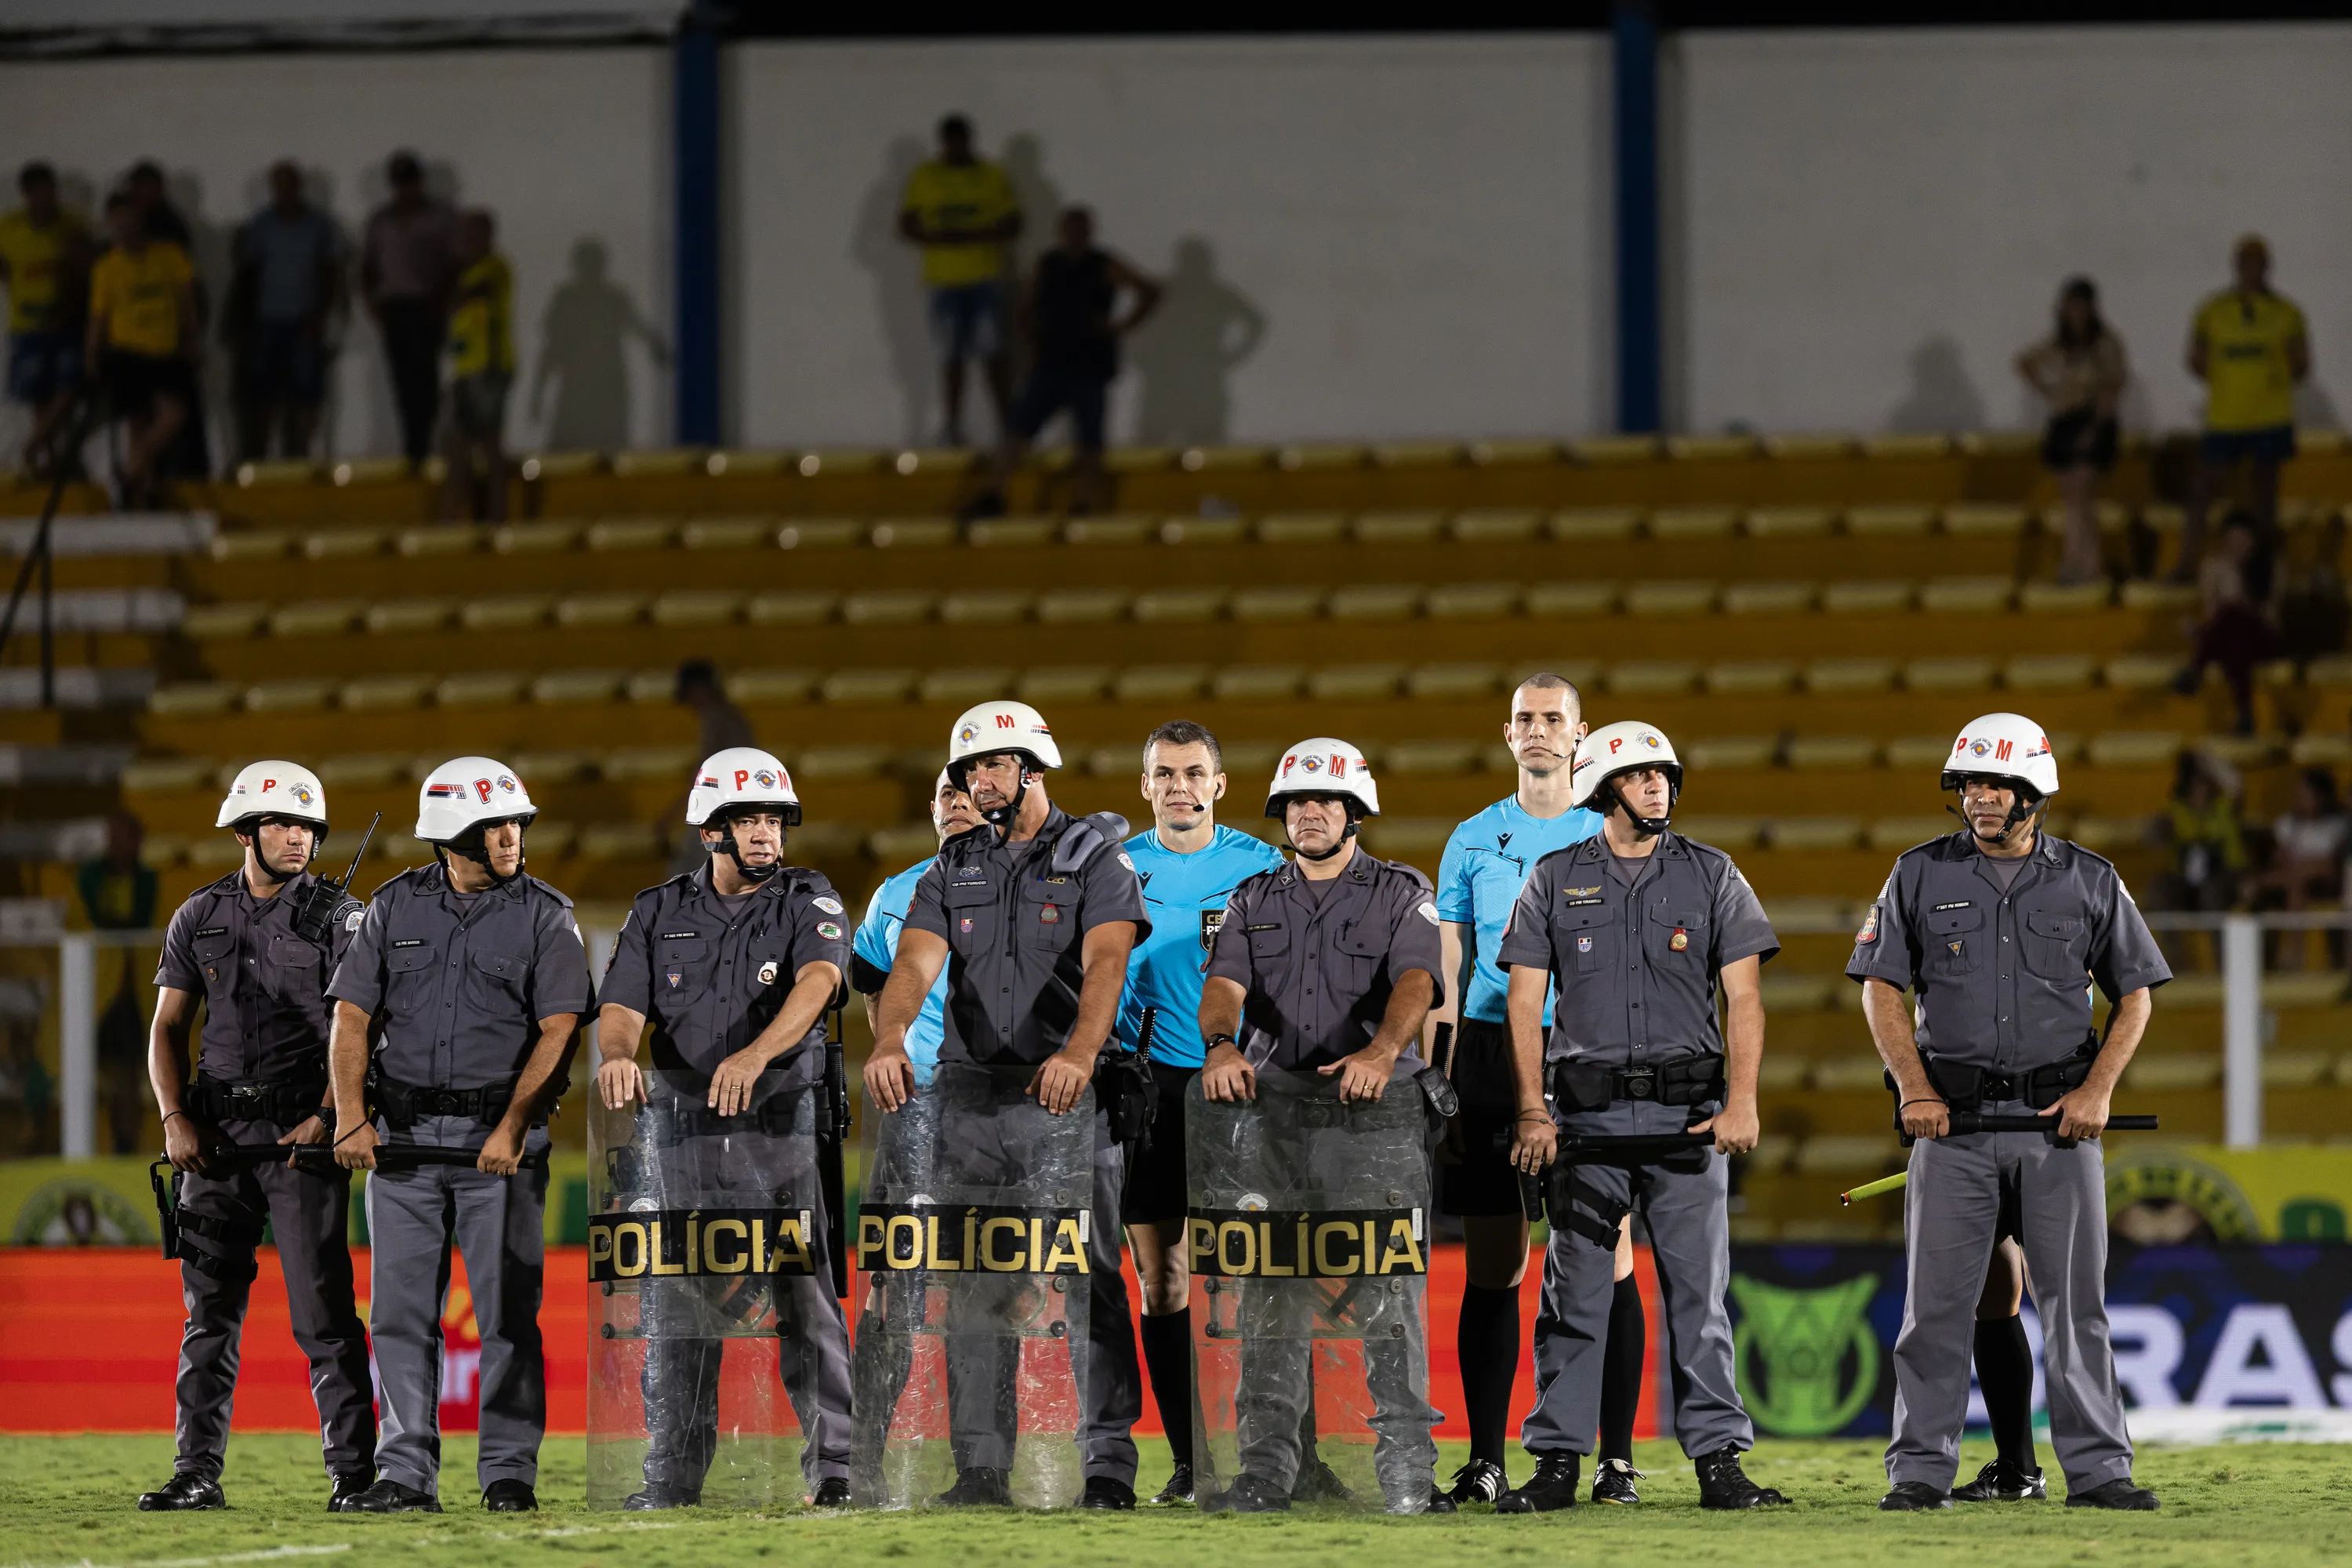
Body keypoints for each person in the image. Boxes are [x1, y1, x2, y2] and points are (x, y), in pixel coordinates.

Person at [1850, 711, 2169, 1512]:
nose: (1979, 798)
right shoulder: (1916, 873)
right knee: (1934, 1314)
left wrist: (2098, 1089)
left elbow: (2135, 994)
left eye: (1996, 785)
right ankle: (1918, 1472)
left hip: (2057, 1126)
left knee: (2078, 1315)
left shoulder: (2091, 878)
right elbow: (1881, 986)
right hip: (1951, 1125)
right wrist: (1915, 1088)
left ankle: (2098, 1472)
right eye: (1969, 784)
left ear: (2035, 792)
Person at [863, 699, 1148, 1509]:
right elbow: (913, 966)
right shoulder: (953, 866)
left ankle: (1107, 1464)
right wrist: (888, 1041)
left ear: (1031, 767)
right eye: (967, 771)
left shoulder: (1097, 857)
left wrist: (1081, 1053)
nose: (976, 782)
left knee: (1088, 1276)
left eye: (990, 766)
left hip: (1064, 1096)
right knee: (976, 1281)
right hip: (969, 1100)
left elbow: (1106, 962)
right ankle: (981, 1465)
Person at [1497, 721, 1786, 1513]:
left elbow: (1746, 996)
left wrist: (1744, 1101)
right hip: (1585, 1125)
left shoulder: (1715, 872)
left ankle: (1719, 1463)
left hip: (1688, 1121)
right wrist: (1532, 1108)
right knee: (1574, 1297)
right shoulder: (1553, 878)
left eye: (1664, 772)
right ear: (1602, 787)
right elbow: (1524, 1003)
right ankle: (1557, 1460)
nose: (1658, 784)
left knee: (1701, 1299)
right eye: (1640, 773)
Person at [1193, 737, 1451, 1515]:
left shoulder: (1403, 890)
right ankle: (1268, 1470)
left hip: (1373, 1117)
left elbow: (1417, 977)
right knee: (1268, 1296)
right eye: (1297, 802)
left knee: (1387, 1293)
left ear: (1354, 811)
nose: (1309, 811)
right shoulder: (1251, 897)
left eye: (1325, 800)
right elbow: (1224, 982)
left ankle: (1407, 1472)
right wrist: (1220, 1042)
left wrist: (1381, 1049)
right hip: (1272, 1122)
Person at [592, 749, 855, 1508]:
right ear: (712, 831)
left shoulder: (810, 897)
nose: (767, 832)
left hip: (782, 1131)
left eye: (774, 818)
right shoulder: (658, 907)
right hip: (681, 1137)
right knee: (681, 1302)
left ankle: (834, 1467)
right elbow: (623, 1001)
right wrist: (615, 1055)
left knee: (804, 1296)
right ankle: (672, 1471)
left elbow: (819, 982)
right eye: (749, 818)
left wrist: (757, 1051)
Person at [328, 757, 590, 1513]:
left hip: (498, 1151)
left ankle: (509, 1474)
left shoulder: (546, 912)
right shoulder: (391, 907)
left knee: (508, 1314)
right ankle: (405, 1475)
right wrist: (351, 1116)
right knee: (400, 1319)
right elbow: (350, 1017)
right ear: (451, 837)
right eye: (492, 827)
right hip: (403, 1147)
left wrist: (512, 1127)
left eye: (514, 823)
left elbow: (561, 1028)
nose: (510, 837)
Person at [139, 763, 375, 1512]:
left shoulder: (344, 918)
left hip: (303, 1140)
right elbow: (168, 1028)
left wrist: (334, 1115)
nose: (299, 838)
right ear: (245, 832)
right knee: (207, 1317)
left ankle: (354, 1476)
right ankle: (195, 1473)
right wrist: (176, 1119)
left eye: (309, 826)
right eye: (282, 824)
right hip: (214, 1143)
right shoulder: (197, 915)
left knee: (324, 1316)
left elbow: (370, 1027)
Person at [1425, 674, 1617, 1507]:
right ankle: (1487, 1455)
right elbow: (1449, 967)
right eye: (1527, 719)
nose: (1540, 731)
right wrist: (1442, 1071)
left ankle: (1614, 1460)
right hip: (1492, 1057)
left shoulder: (1610, 833)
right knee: (1496, 1264)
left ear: (1582, 734)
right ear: (1507, 732)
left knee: (1609, 1262)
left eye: (1555, 719)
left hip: (1586, 1054)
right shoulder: (1471, 837)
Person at [1112, 720, 1283, 1505]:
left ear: (1219, 783)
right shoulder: (1116, 868)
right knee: (1165, 1279)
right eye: (1164, 773)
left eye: (1194, 771)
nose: (1179, 785)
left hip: (1243, 1092)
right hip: (1150, 1093)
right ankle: (1190, 1461)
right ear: (1144, 785)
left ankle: (1279, 1451)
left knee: (1264, 1277)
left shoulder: (1262, 864)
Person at [969, 205, 1161, 519]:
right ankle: (995, 494)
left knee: (1088, 438)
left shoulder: (1103, 264)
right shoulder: (1049, 264)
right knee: (1018, 429)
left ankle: (1084, 502)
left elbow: (1150, 291)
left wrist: (1121, 326)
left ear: (1089, 231)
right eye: (1070, 229)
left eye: (1080, 229)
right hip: (1053, 361)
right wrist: (1032, 341)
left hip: (1089, 364)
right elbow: (1024, 308)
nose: (1074, 235)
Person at [2180, 234, 2309, 578]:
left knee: (2265, 496)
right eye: (2245, 262)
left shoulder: (2287, 312)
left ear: (2267, 267)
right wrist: (2229, 382)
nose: (2251, 269)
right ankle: (2187, 562)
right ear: (2236, 266)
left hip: (2270, 416)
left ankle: (2262, 570)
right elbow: (2194, 360)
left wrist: (2266, 381)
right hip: (2225, 417)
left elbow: (2301, 363)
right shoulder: (2212, 310)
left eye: (2258, 262)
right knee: (2204, 491)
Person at [848, 770, 984, 1091]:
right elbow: (872, 986)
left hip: (1006, 1087)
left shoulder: (1030, 886)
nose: (959, 803)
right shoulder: (892, 893)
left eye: (970, 795)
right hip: (922, 1091)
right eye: (948, 794)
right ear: (934, 809)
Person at [898, 114, 1020, 447]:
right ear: (943, 142)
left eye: (961, 142)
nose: (956, 148)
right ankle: (952, 427)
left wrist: (976, 234)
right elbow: (906, 224)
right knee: (951, 356)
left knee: (994, 353)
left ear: (970, 140)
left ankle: (1009, 426)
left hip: (984, 278)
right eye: (950, 142)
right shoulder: (926, 176)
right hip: (944, 282)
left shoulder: (990, 175)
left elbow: (1014, 223)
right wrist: (937, 239)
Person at [85, 192, 197, 509]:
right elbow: (99, 317)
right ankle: (142, 489)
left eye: (130, 221)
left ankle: (131, 473)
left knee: (173, 415)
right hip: (128, 352)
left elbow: (186, 301)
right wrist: (91, 354)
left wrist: (191, 339)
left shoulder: (170, 255)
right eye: (118, 224)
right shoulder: (107, 268)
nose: (125, 229)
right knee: (136, 423)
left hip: (165, 350)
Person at [226, 160, 341, 463]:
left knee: (305, 396)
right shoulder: (261, 225)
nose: (285, 192)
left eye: (290, 185)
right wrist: (246, 323)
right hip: (268, 320)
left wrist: (320, 316)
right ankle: (261, 460)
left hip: (305, 320)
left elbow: (330, 272)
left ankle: (298, 459)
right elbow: (249, 274)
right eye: (279, 186)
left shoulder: (318, 225)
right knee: (264, 396)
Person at [2016, 278, 2126, 585]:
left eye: (2080, 305)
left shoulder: (2105, 343)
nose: (2074, 311)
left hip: (2092, 420)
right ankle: (2086, 564)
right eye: (2070, 305)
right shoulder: (2057, 343)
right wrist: (2049, 391)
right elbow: (2024, 362)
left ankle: (2076, 564)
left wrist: (2095, 428)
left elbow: (2111, 388)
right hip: (2064, 421)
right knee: (2074, 497)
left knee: (2080, 492)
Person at [360, 151, 456, 470]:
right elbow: (368, 266)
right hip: (394, 309)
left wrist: (441, 302)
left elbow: (453, 264)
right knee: (401, 382)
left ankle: (423, 445)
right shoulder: (381, 220)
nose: (405, 189)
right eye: (399, 183)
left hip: (426, 307)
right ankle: (412, 448)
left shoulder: (440, 217)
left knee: (426, 381)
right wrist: (372, 302)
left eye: (409, 181)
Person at [0, 160, 90, 476]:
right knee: (38, 395)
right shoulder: (9, 228)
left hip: (66, 324)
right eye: (39, 192)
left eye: (51, 192)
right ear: (26, 194)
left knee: (69, 389)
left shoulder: (72, 226)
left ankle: (31, 446)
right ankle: (53, 462)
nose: (47, 199)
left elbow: (83, 274)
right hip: (27, 326)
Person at [77, 811, 159, 1156]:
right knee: (89, 1072)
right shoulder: (90, 876)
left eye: (127, 836)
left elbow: (138, 920)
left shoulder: (146, 879)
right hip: (93, 990)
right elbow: (96, 919)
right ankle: (80, 1144)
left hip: (130, 993)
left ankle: (125, 1146)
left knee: (127, 1076)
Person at [438, 209, 514, 523]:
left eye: (474, 234)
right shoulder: (466, 273)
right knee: (456, 445)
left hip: (490, 369)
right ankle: (454, 516)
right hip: (466, 370)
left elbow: (472, 295)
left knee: (489, 444)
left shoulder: (495, 268)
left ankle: (497, 518)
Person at [2176, 509, 2281, 734]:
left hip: (2263, 638)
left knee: (2234, 615)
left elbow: (2271, 619)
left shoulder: (2269, 566)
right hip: (2231, 640)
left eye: (2244, 541)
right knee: (2236, 646)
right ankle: (2245, 714)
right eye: (2233, 541)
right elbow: (2212, 614)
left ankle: (2196, 670)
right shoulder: (2214, 566)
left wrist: (2242, 591)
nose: (2238, 547)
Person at [2253, 767, 2347, 970]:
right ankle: (2262, 961)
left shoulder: (2337, 826)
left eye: (2305, 793)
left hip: (2325, 885)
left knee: (2298, 882)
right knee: (2281, 887)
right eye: (2298, 793)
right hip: (2291, 883)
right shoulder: (2286, 825)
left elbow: (2330, 867)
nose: (2299, 798)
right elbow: (2278, 863)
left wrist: (2302, 867)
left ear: (2320, 796)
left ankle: (2296, 957)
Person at [668, 660, 756, 875]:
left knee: (686, 880)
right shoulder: (730, 716)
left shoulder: (717, 718)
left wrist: (671, 814)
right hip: (735, 807)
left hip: (721, 810)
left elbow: (706, 776)